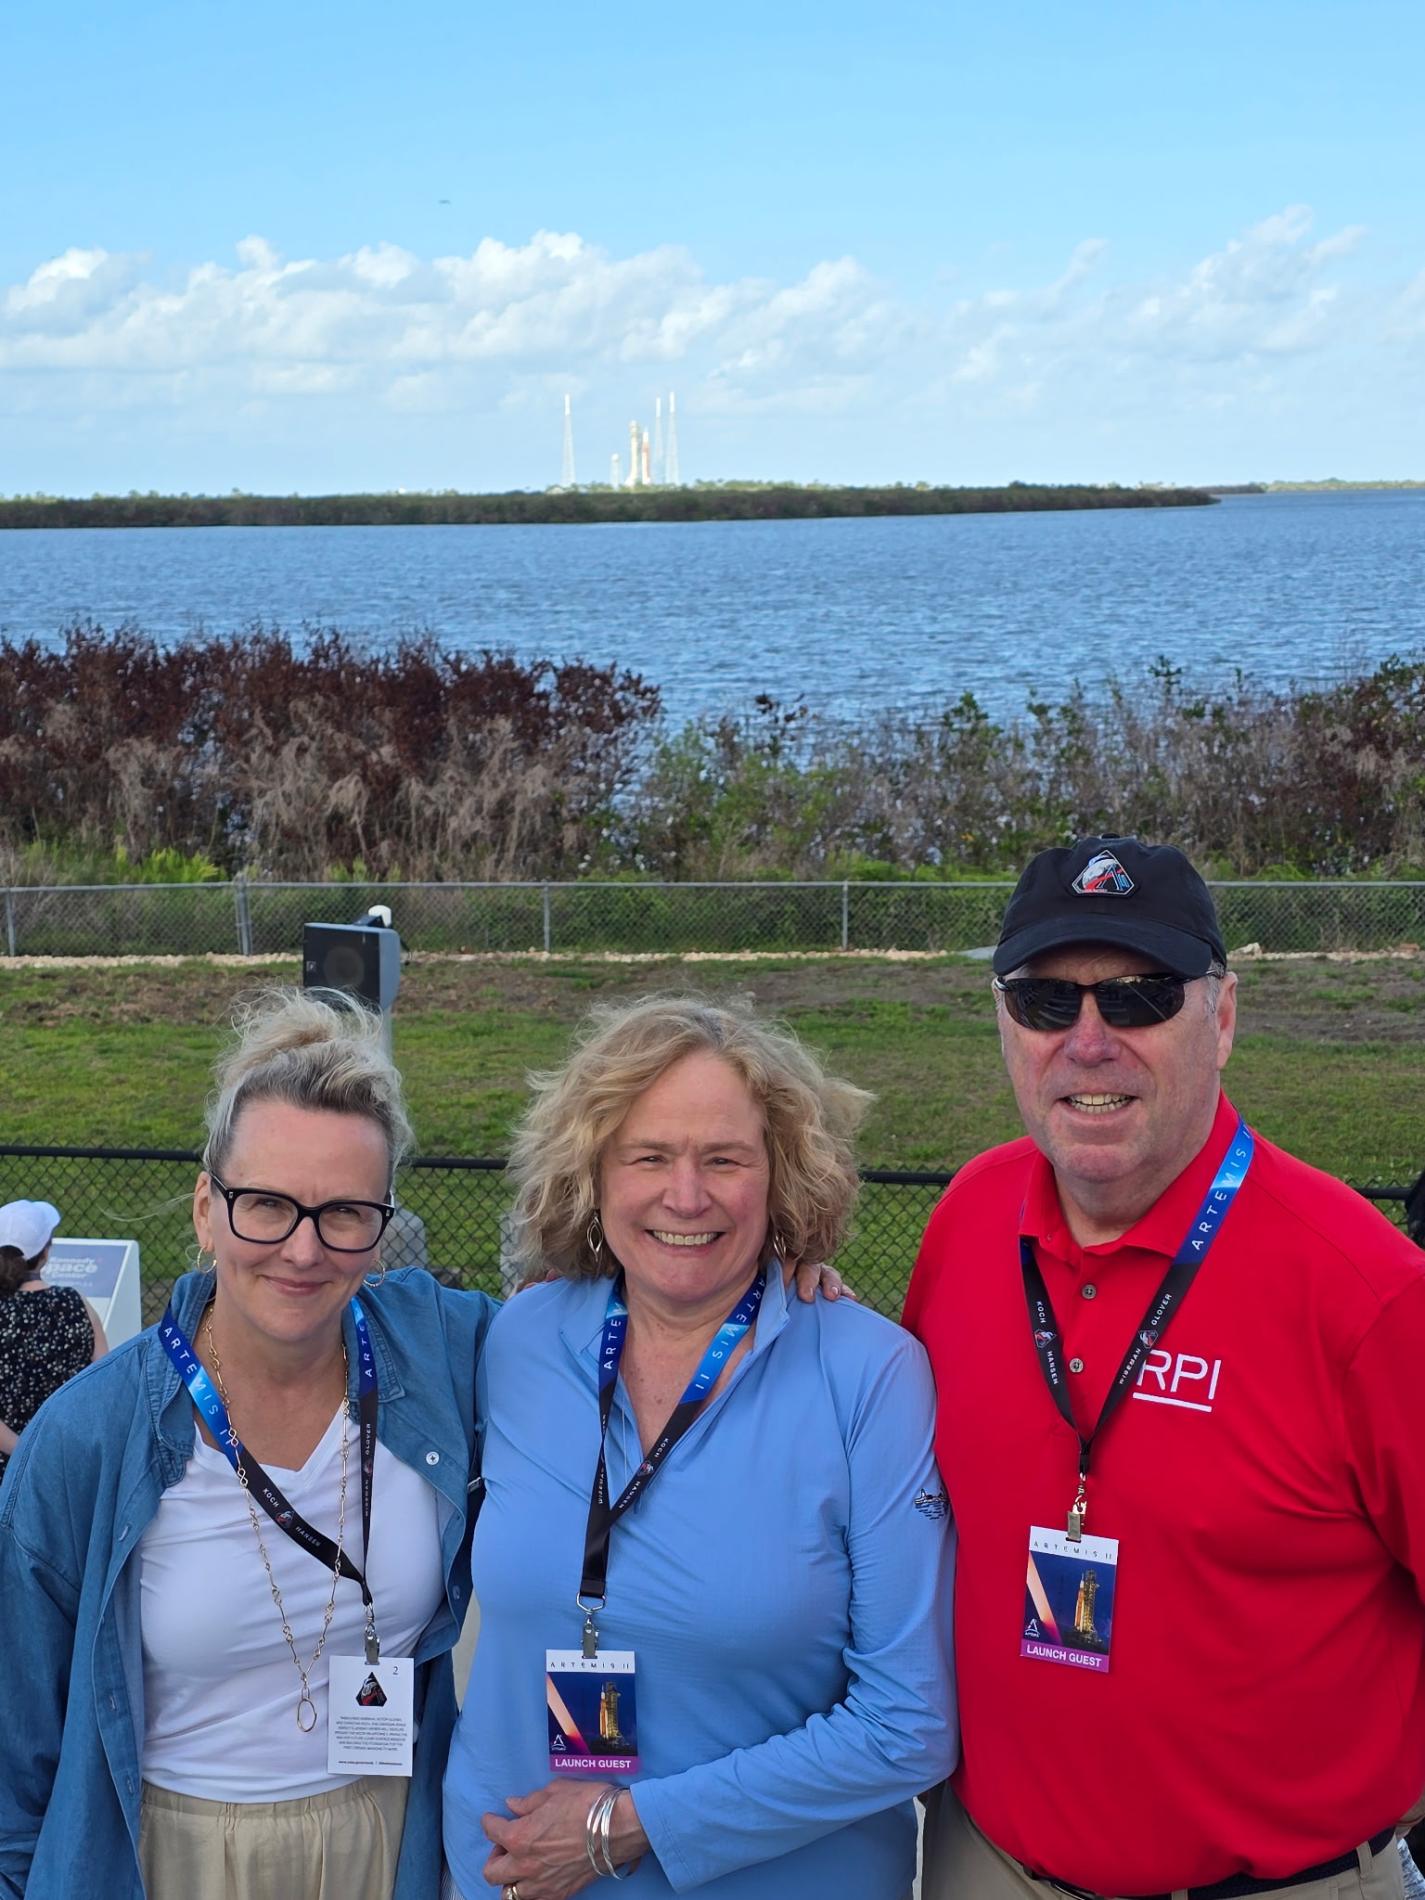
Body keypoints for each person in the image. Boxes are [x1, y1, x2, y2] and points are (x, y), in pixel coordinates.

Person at [903, 835, 1425, 1900]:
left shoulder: (1367, 1290)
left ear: (1223, 1016)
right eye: (1047, 1002)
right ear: (1004, 1024)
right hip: (988, 1867)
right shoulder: (965, 1224)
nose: (1089, 1042)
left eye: (1139, 998)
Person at [442, 995, 957, 1900]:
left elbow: (905, 1725)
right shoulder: (521, 1339)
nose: (685, 1196)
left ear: (782, 1176)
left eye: (724, 1160)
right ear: (593, 1173)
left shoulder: (867, 1376)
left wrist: (627, 1827)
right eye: (648, 1157)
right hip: (507, 1876)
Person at [0, 989, 495, 1900]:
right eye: (265, 1204)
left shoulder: (439, 1356)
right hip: (168, 1855)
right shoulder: (88, 1437)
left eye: (345, 1212)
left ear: (382, 1226)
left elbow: (607, 1336)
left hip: (388, 1841)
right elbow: (15, 1749)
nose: (303, 1250)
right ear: (204, 1208)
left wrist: (774, 1262)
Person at [0, 1199, 107, 1485]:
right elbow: (104, 1385)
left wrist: (26, 1451)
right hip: (68, 1465)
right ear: (45, 1252)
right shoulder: (76, 1304)